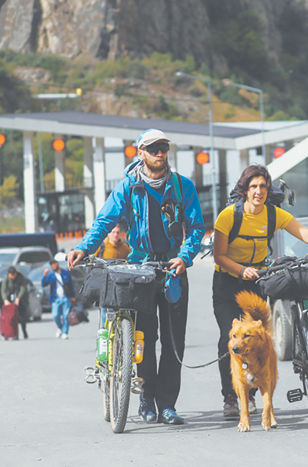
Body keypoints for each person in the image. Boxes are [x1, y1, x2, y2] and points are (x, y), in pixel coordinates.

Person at [67, 128, 205, 426]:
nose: (159, 153)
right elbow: (105, 221)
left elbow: (195, 229)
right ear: (139, 152)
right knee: (144, 339)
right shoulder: (128, 187)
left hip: (173, 269)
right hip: (140, 271)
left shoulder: (183, 186)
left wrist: (185, 256)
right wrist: (83, 247)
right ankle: (145, 398)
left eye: (163, 148)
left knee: (173, 342)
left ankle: (167, 404)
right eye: (153, 148)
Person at [212, 165, 308, 419]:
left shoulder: (272, 214)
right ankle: (232, 397)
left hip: (258, 279)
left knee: (254, 338)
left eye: (263, 186)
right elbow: (219, 256)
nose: (258, 191)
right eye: (253, 186)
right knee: (230, 337)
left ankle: (252, 395)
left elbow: (305, 233)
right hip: (228, 282)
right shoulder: (228, 217)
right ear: (244, 190)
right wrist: (241, 270)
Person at [94, 223, 131, 327]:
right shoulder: (102, 246)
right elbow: (92, 260)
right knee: (105, 308)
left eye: (117, 232)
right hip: (106, 282)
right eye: (113, 232)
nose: (115, 235)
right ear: (108, 234)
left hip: (121, 283)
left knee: (124, 308)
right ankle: (104, 330)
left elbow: (130, 260)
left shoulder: (125, 247)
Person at [42, 259, 76, 339]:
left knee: (65, 316)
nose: (53, 265)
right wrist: (44, 276)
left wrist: (73, 296)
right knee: (55, 315)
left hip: (65, 297)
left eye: (54, 263)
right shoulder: (51, 275)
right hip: (55, 298)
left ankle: (65, 332)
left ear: (57, 263)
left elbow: (71, 284)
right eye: (51, 264)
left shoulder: (65, 273)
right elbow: (44, 284)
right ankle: (59, 327)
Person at [0, 266, 30, 339]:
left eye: (14, 275)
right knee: (10, 318)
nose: (12, 277)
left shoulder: (21, 277)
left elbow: (23, 288)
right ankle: (11, 333)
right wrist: (5, 299)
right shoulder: (6, 278)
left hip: (21, 300)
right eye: (11, 275)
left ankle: (24, 331)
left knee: (22, 318)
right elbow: (3, 290)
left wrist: (18, 298)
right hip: (10, 299)